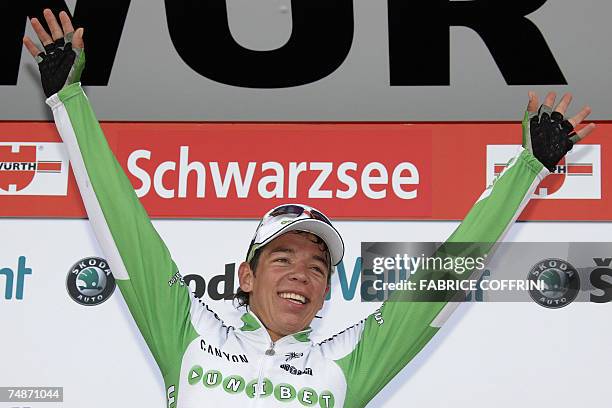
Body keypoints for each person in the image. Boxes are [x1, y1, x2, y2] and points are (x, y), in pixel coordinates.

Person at [24, 9, 595, 408]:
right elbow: (126, 229)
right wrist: (68, 100)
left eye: (319, 267)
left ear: (326, 292)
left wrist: (528, 168)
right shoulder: (189, 335)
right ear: (245, 276)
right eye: (283, 258)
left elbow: (438, 283)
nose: (303, 273)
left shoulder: (342, 366)